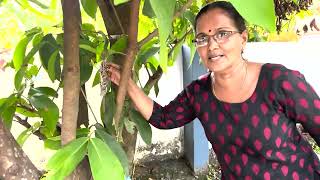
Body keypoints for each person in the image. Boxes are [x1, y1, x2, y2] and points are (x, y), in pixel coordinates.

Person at [105, 1, 320, 179]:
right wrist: (127, 83)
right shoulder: (199, 93)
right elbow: (163, 118)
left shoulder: (279, 81)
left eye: (222, 34)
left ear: (243, 39)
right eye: (202, 38)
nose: (212, 45)